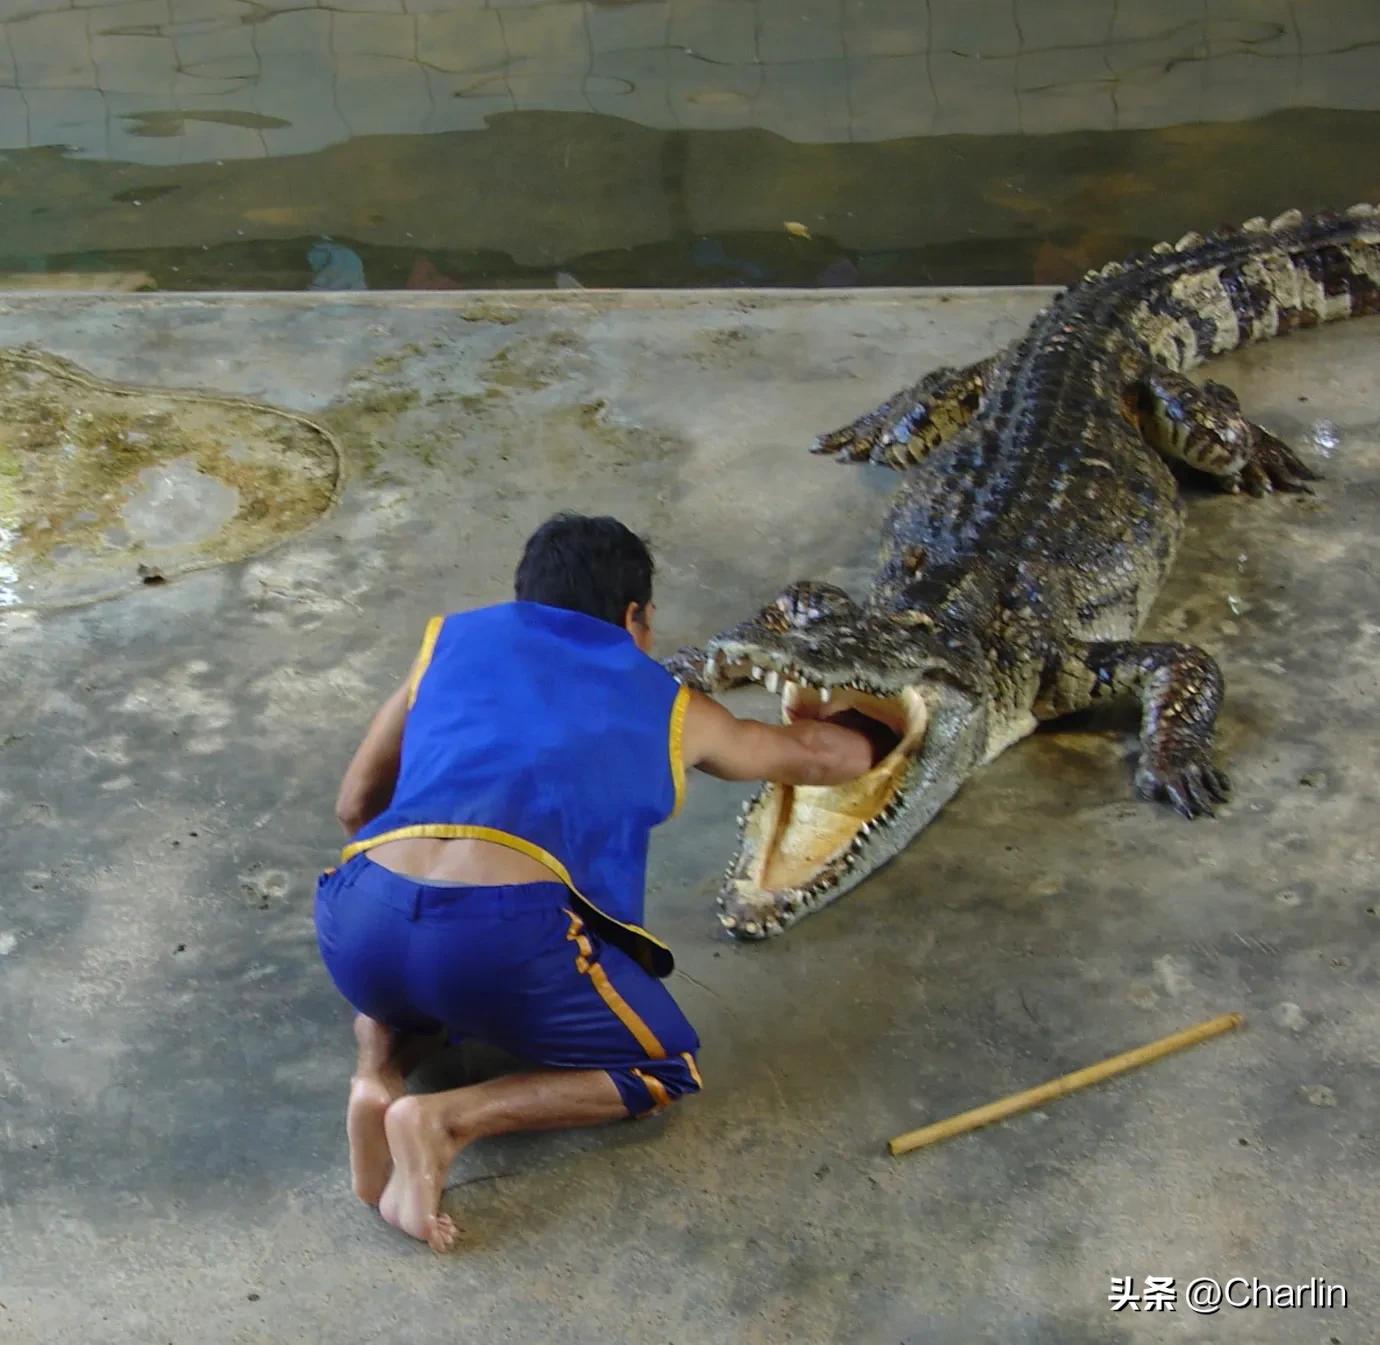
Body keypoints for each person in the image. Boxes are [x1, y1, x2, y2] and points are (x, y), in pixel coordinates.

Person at [315, 513, 879, 1251]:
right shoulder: (672, 704)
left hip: (356, 922)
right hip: (501, 939)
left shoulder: (449, 640)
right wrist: (876, 729)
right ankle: (443, 1120)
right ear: (634, 617)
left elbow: (354, 805)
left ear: (524, 596)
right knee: (663, 1069)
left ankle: (376, 1075)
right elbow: (813, 756)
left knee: (409, 964)